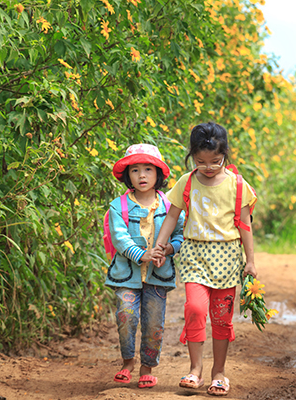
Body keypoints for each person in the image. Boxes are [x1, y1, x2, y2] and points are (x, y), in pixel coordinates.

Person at [152, 122, 257, 396]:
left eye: (216, 161)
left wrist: (251, 261)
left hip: (228, 257)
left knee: (222, 319)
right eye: (201, 161)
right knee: (195, 309)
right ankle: (195, 370)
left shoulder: (237, 185)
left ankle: (219, 373)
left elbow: (245, 224)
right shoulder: (186, 182)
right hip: (195, 256)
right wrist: (160, 245)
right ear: (192, 157)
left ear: (225, 155)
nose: (208, 167)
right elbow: (172, 215)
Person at [106, 144, 185, 389]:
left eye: (148, 169)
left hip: (157, 277)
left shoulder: (169, 206)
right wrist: (142, 255)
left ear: (158, 174)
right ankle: (128, 361)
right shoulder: (118, 206)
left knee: (154, 323)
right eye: (135, 170)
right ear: (127, 175)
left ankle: (147, 367)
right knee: (126, 316)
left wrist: (169, 249)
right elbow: (120, 238)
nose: (142, 175)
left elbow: (180, 234)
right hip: (126, 276)